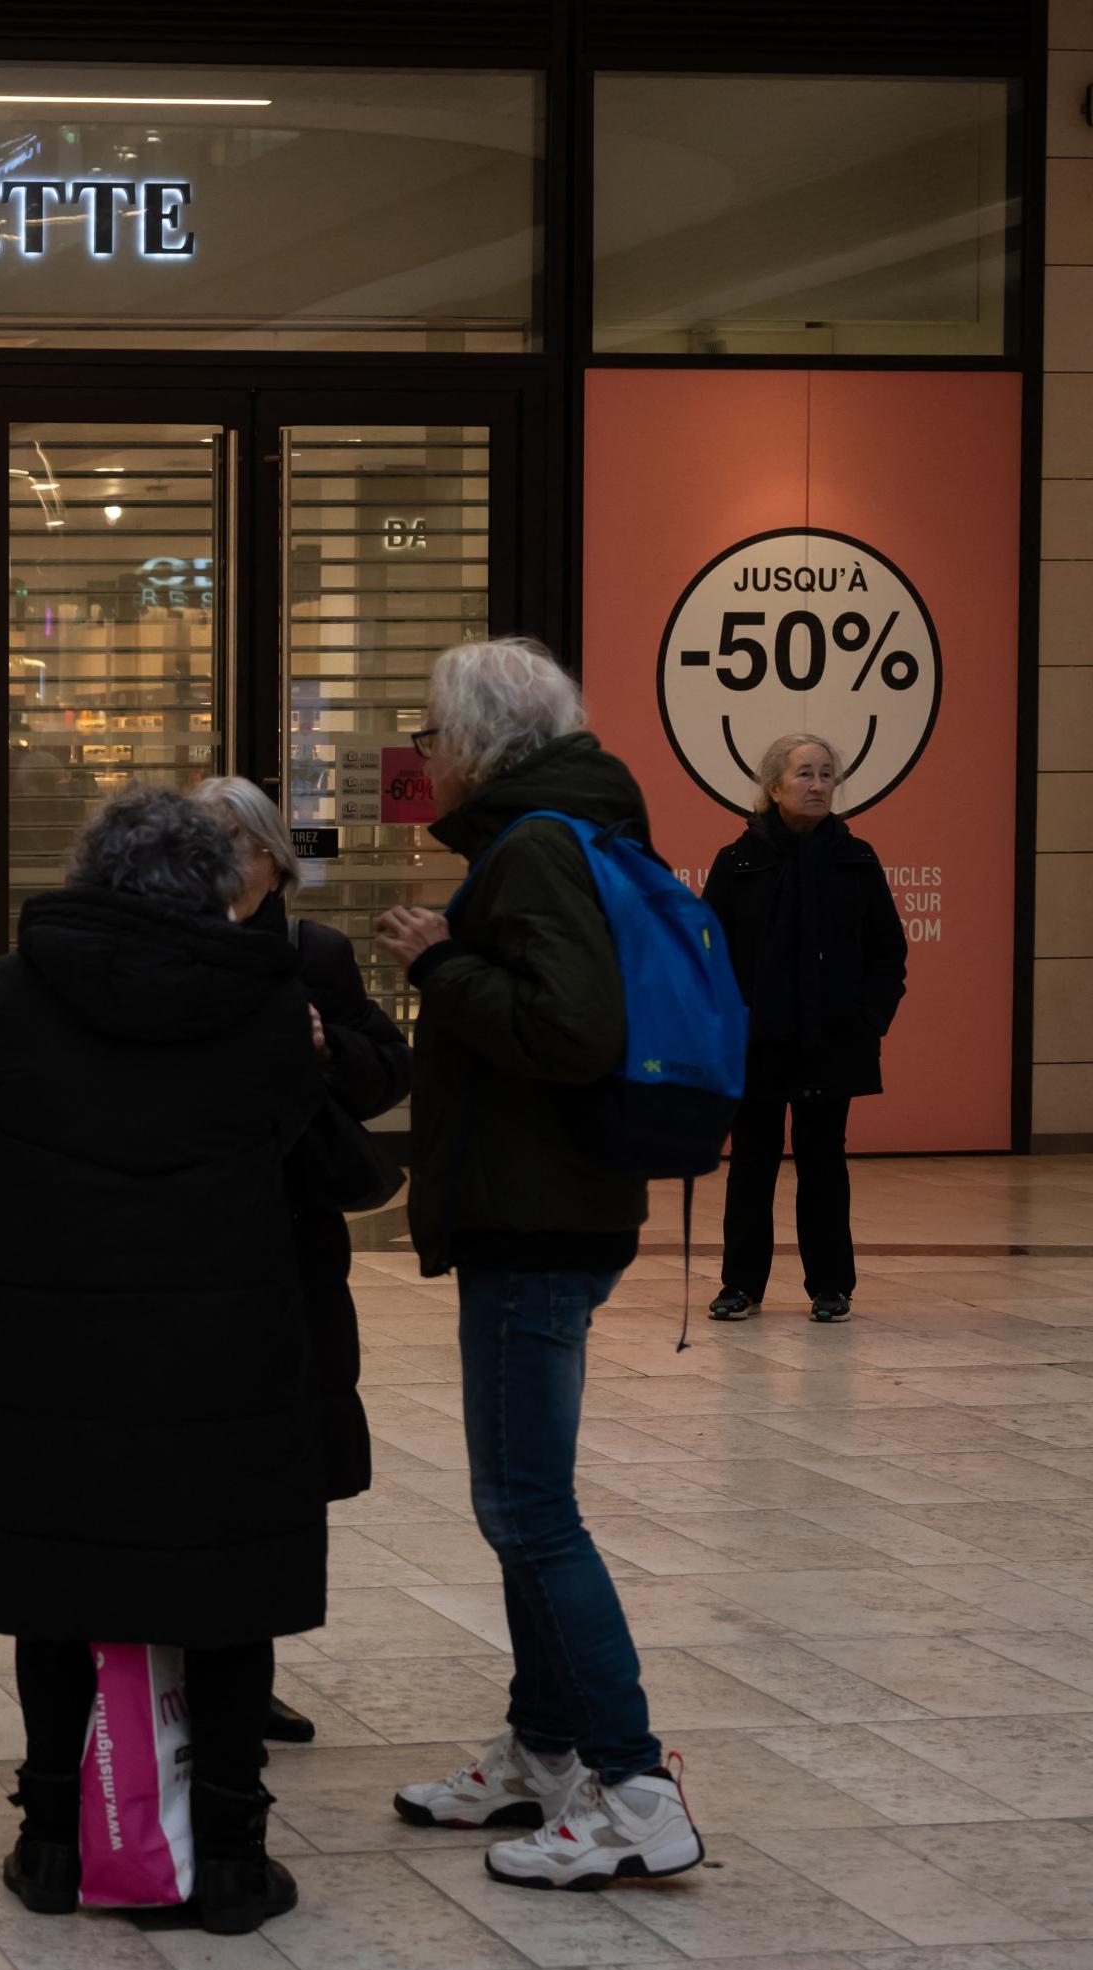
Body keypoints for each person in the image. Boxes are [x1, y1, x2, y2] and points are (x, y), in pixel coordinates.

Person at [0, 786, 325, 1934]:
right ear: (212, 882)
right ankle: (234, 1853)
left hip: (53, 1338)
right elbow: (295, 1129)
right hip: (222, 1339)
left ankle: (53, 1837)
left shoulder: (13, 989)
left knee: (58, 1578)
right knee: (228, 1584)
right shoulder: (265, 998)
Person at [370, 637, 705, 1890]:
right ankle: (543, 1750)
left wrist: (438, 963)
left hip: (535, 1216)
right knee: (525, 1510)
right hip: (556, 1204)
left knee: (529, 1511)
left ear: (481, 744)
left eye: (434, 735)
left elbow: (572, 1030)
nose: (426, 757)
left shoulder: (537, 846)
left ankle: (632, 1787)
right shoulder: (573, 827)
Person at [193, 775, 412, 1747]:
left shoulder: (310, 951)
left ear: (277, 856)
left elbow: (383, 1071)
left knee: (283, 1466)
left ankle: (250, 1669)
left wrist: (328, 1049)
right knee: (190, 1461)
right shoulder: (163, 946)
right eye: (205, 840)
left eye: (240, 841)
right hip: (191, 1237)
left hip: (291, 1240)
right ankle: (185, 1663)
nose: (224, 858)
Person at [701, 733, 907, 1325]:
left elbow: (887, 953)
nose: (818, 785)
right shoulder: (737, 861)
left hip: (832, 1039)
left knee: (823, 1161)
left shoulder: (856, 859)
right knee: (751, 1163)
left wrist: (868, 1019)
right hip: (754, 1042)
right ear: (773, 788)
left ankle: (831, 1287)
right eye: (804, 775)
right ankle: (740, 1286)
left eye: (826, 774)